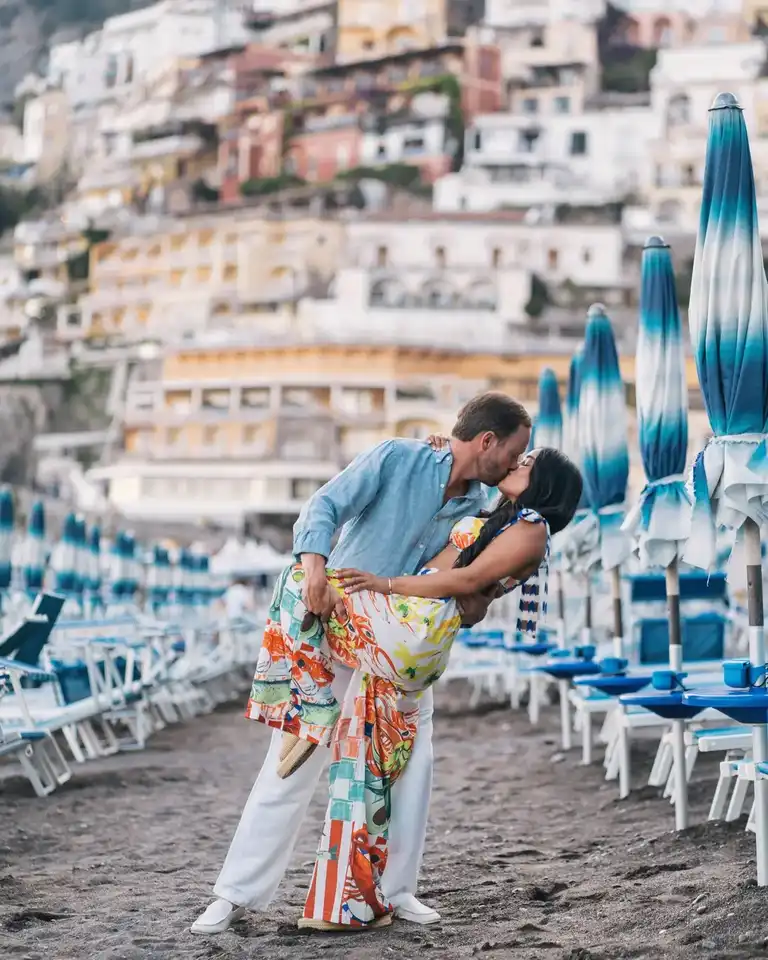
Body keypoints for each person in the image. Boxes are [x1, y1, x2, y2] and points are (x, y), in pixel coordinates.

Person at [191, 392, 532, 935]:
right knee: (293, 763)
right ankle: (234, 895)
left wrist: (478, 600)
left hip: (400, 651)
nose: (517, 462)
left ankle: (396, 891)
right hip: (335, 626)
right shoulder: (398, 457)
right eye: (515, 451)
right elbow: (324, 507)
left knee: (412, 767)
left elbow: (468, 601)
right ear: (486, 441)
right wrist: (315, 571)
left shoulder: (483, 510)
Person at [248, 447, 583, 930]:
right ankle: (358, 900)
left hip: (410, 630)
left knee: (301, 579)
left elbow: (465, 581)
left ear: (544, 484)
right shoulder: (505, 515)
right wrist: (445, 450)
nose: (517, 464)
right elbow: (466, 563)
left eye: (527, 463)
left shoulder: (530, 530)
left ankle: (309, 706)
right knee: (373, 766)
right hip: (410, 629)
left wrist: (383, 584)